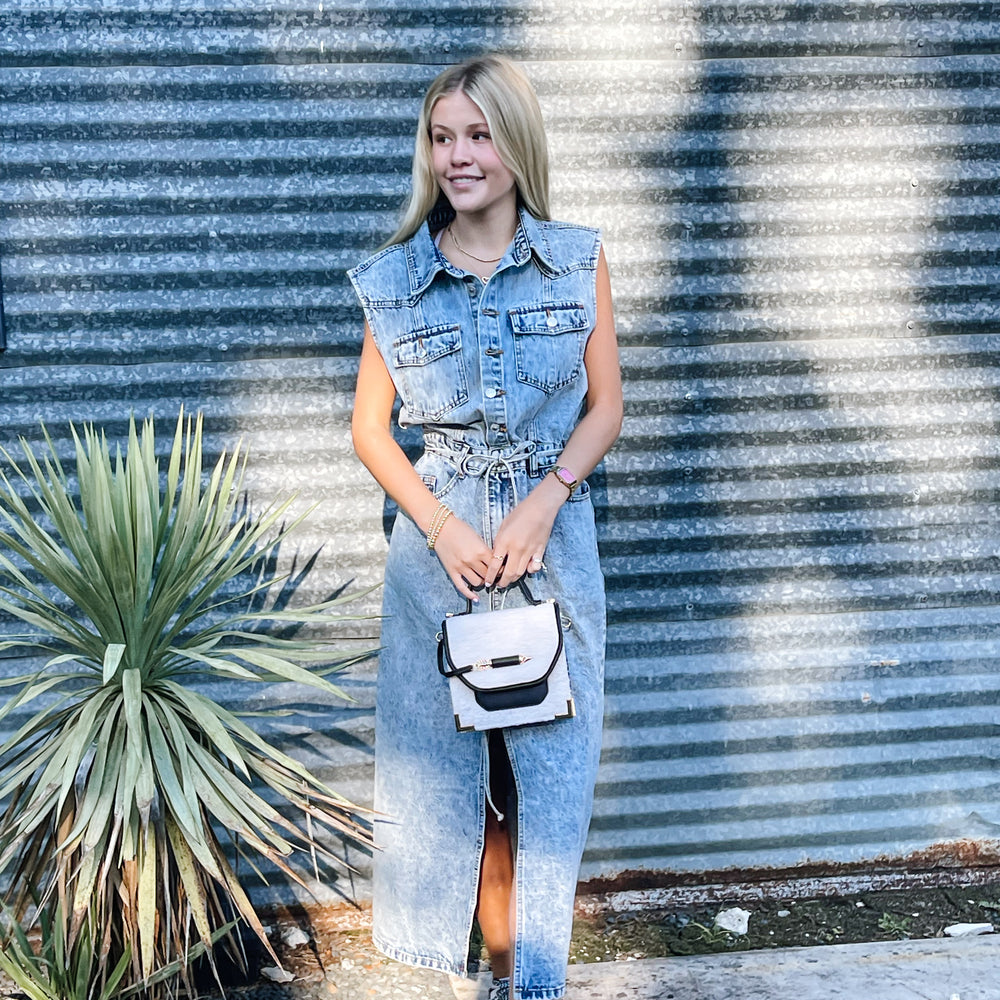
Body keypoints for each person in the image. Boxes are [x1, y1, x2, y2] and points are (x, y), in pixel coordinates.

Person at [348, 53, 622, 1000]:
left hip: (554, 539)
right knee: (455, 772)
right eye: (442, 137)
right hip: (442, 550)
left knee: (548, 766)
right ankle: (468, 974)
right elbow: (370, 431)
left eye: (478, 134)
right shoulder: (394, 280)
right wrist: (440, 529)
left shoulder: (578, 257)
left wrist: (548, 496)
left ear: (515, 142)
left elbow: (604, 409)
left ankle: (532, 980)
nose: (458, 156)